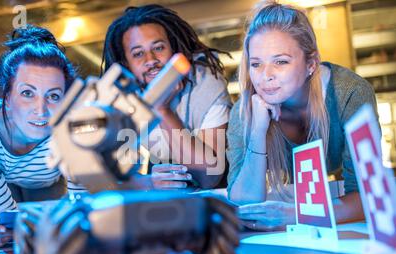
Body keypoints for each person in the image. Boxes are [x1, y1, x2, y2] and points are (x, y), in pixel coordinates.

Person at [227, 1, 378, 231]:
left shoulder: (350, 93)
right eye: (256, 64)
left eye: (281, 61)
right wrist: (258, 130)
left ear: (311, 63)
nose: (265, 76)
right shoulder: (244, 111)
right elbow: (245, 205)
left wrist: (298, 214)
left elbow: (368, 198)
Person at [0, 25, 84, 250]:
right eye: (27, 93)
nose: (41, 110)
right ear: (6, 96)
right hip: (2, 177)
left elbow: (82, 210)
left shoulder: (75, 126)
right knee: (3, 237)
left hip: (48, 180)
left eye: (53, 96)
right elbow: (7, 226)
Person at [101, 4, 232, 190]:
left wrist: (161, 109)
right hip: (159, 179)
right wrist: (147, 182)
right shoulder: (120, 97)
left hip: (214, 192)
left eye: (159, 47)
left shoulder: (205, 83)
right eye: (138, 53)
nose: (151, 60)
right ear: (127, 64)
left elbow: (209, 178)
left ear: (173, 49)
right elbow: (112, 173)